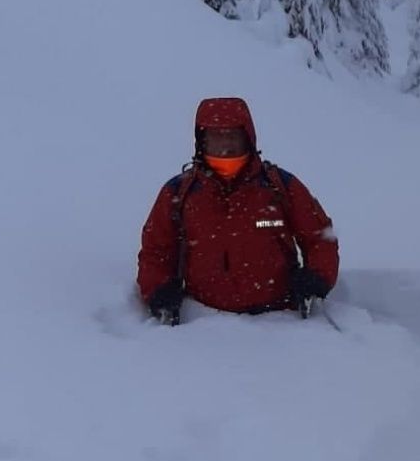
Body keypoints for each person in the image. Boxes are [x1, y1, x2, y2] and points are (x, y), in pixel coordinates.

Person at [137, 97, 339, 324]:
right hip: (201, 322)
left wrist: (317, 277)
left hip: (282, 321)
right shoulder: (179, 192)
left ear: (248, 138)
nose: (225, 145)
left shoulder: (279, 185)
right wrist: (158, 289)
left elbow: (320, 236)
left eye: (233, 136)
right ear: (202, 142)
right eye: (216, 136)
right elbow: (156, 250)